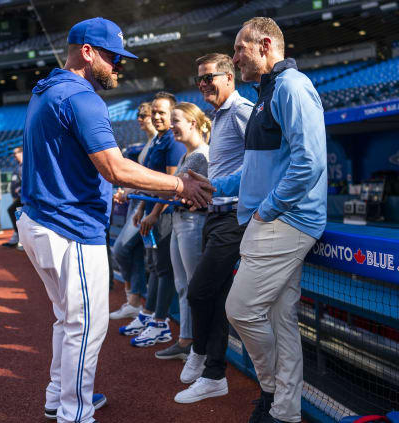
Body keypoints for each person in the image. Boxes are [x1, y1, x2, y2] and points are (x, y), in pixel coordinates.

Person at [17, 17, 212, 423]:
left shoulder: (47, 89)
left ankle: (60, 397)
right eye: (113, 57)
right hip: (69, 228)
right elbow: (116, 169)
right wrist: (180, 186)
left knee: (67, 320)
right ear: (87, 52)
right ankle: (75, 413)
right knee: (85, 328)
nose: (119, 66)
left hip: (40, 220)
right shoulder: (81, 97)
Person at [201, 17, 327, 423]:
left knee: (239, 310)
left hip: (283, 221)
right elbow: (255, 171)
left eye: (240, 48)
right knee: (281, 322)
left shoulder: (291, 86)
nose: (235, 56)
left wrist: (266, 209)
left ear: (266, 45)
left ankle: (272, 391)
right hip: (273, 219)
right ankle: (285, 412)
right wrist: (210, 186)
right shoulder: (267, 92)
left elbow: (310, 163)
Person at [174, 53, 253, 404]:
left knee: (198, 292)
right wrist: (204, 190)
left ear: (229, 77)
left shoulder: (241, 111)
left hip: (234, 218)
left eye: (209, 78)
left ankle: (201, 354)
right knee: (216, 298)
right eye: (199, 79)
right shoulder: (221, 116)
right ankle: (214, 374)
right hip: (215, 214)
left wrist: (215, 189)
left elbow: (260, 165)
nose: (203, 84)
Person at [120, 92, 187, 348]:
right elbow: (151, 184)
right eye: (155, 112)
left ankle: (160, 323)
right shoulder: (159, 140)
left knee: (163, 269)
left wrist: (154, 212)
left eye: (162, 112)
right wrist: (140, 210)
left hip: (165, 215)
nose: (157, 117)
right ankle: (149, 316)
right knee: (155, 267)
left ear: (173, 114)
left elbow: (172, 186)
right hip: (150, 213)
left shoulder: (173, 142)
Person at [154, 102, 211, 364]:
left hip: (192, 222)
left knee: (194, 286)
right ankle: (187, 340)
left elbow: (171, 190)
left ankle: (200, 346)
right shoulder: (185, 155)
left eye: (176, 120)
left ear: (193, 123)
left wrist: (140, 184)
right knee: (184, 285)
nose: (171, 126)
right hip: (180, 221)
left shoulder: (199, 155)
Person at [109, 102, 157, 320]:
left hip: (146, 205)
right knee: (135, 253)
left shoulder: (160, 142)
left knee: (121, 250)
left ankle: (139, 301)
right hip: (137, 203)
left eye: (144, 114)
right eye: (139, 114)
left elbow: (151, 179)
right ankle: (134, 302)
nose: (140, 118)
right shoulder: (150, 142)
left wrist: (131, 192)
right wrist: (127, 191)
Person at [3, 146, 24, 249]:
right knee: (16, 215)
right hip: (19, 197)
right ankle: (18, 237)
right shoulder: (18, 166)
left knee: (16, 214)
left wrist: (19, 191)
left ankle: (22, 240)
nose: (15, 155)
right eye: (14, 153)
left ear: (22, 153)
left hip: (25, 198)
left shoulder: (26, 166)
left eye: (17, 153)